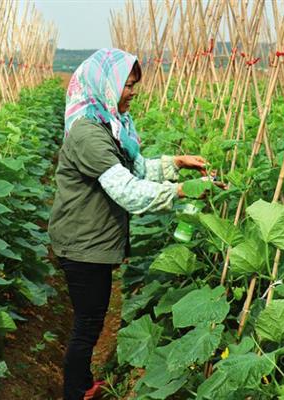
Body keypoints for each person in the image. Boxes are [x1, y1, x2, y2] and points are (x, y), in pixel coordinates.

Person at [48, 48, 209, 400]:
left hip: (93, 240)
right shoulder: (88, 134)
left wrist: (176, 163)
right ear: (105, 85)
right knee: (87, 325)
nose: (133, 92)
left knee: (90, 320)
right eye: (128, 85)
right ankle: (75, 391)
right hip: (83, 244)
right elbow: (128, 191)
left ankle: (83, 381)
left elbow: (135, 170)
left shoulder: (108, 124)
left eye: (135, 85)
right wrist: (181, 191)